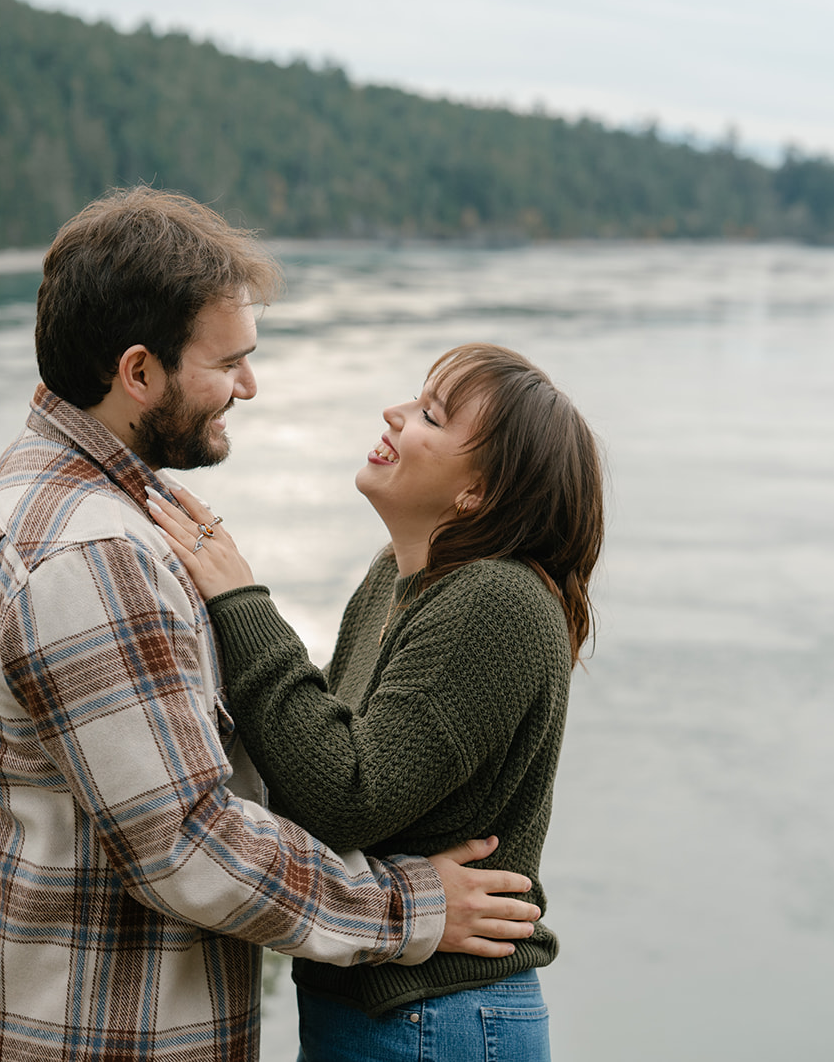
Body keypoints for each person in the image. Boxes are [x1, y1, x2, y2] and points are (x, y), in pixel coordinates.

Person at [0, 190, 543, 1062]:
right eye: (229, 362)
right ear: (139, 372)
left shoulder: (67, 490)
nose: (249, 386)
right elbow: (189, 844)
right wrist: (413, 908)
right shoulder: (96, 553)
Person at [147, 342, 605, 1061]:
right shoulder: (394, 578)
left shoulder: (498, 600)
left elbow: (345, 793)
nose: (393, 413)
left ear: (476, 493)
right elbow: (305, 757)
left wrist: (238, 598)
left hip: (436, 1017)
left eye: (429, 414)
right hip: (386, 1011)